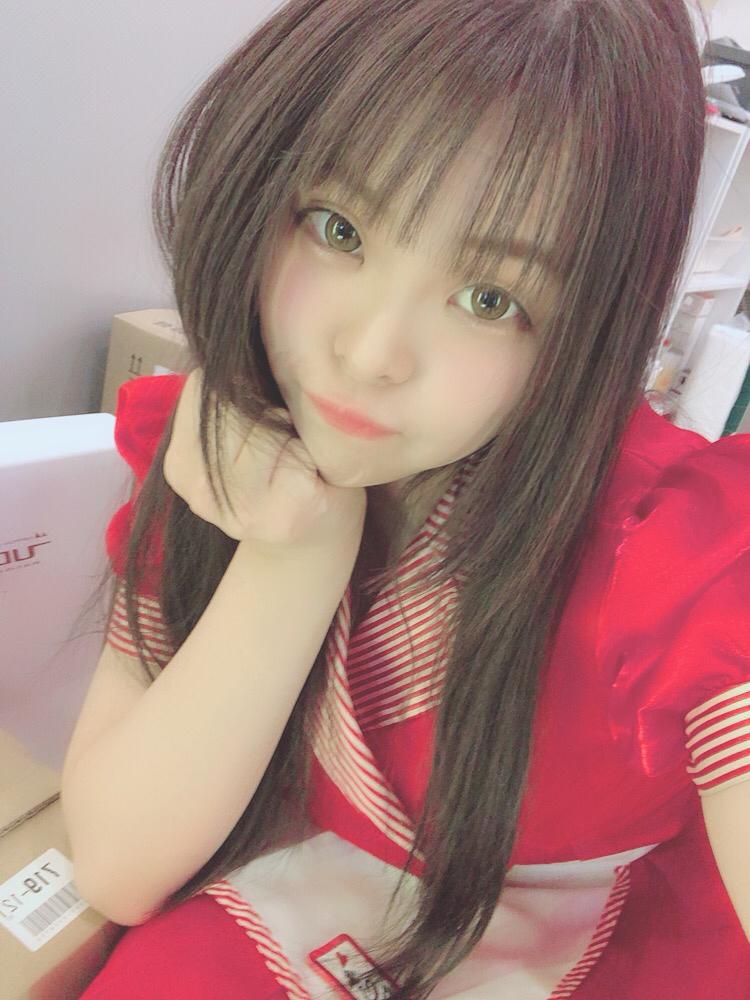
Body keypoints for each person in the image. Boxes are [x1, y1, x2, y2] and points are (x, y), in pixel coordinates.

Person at [61, 1, 750, 997]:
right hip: (303, 903)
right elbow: (118, 861)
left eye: (491, 299)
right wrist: (293, 555)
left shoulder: (683, 551)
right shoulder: (228, 444)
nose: (368, 353)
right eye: (337, 228)